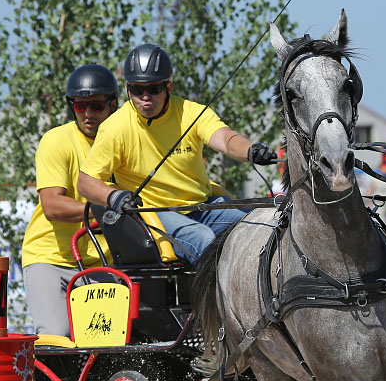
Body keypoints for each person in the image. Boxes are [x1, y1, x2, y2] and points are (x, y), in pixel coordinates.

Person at [77, 43, 276, 267]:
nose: (145, 97)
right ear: (127, 90)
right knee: (203, 239)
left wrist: (250, 150)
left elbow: (225, 139)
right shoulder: (115, 128)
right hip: (155, 214)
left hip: (203, 206)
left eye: (153, 89)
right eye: (137, 90)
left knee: (261, 225)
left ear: (169, 87)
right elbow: (85, 183)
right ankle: (216, 302)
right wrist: (115, 197)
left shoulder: (191, 112)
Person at [21, 64, 119, 337]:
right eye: (80, 106)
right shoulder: (57, 141)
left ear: (112, 105)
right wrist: (104, 209)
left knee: (109, 340)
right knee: (58, 337)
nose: (88, 114)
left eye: (97, 106)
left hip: (100, 263)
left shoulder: (123, 141)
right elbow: (52, 206)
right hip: (50, 259)